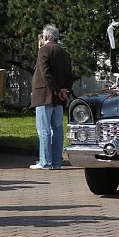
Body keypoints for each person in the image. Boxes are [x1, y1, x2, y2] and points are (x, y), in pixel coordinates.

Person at [30, 24, 73, 170]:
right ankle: (56, 162)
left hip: (44, 95)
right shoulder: (64, 52)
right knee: (57, 129)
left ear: (46, 37)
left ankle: (45, 161)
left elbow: (45, 73)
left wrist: (57, 90)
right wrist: (64, 91)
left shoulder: (44, 50)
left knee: (43, 129)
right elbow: (69, 75)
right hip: (59, 98)